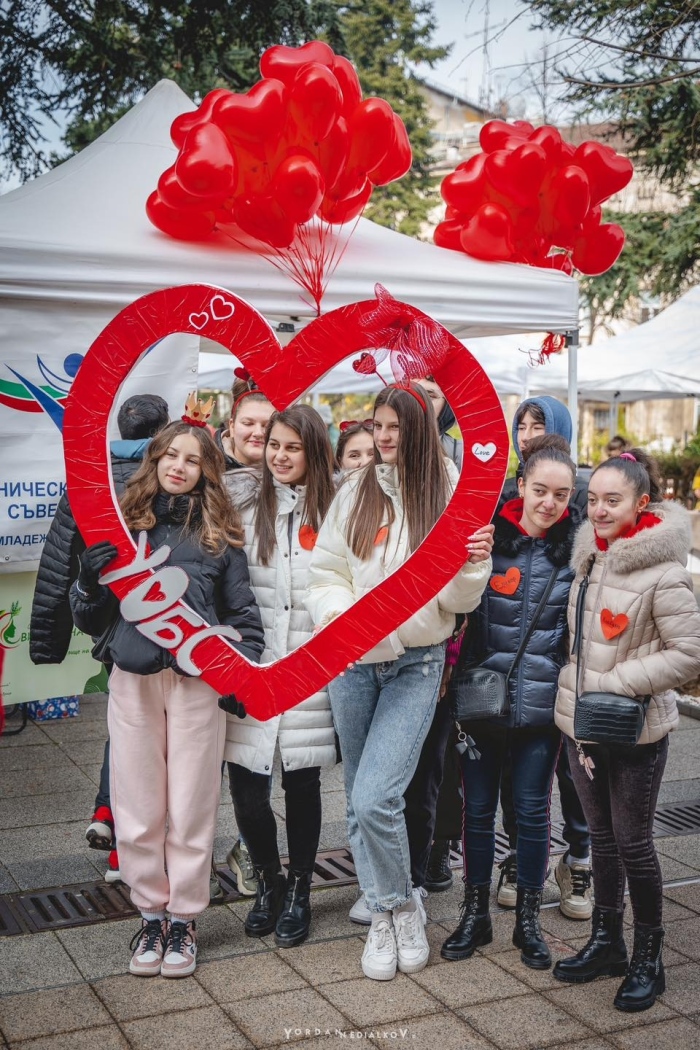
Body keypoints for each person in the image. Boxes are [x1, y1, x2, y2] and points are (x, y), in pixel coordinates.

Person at [306, 382, 494, 981]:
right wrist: (345, 619)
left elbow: (460, 600)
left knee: (374, 795)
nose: (384, 437)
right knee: (362, 802)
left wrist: (473, 564)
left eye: (396, 427)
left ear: (420, 428)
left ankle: (398, 903)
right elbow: (327, 570)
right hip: (352, 662)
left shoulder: (447, 491)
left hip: (417, 662)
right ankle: (394, 911)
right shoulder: (353, 491)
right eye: (378, 425)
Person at [69, 404, 265, 978]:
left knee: (190, 805)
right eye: (171, 455)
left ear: (208, 470)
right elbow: (88, 618)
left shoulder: (218, 538)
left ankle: (184, 919)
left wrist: (239, 675)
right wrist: (87, 579)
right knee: (135, 805)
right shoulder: (120, 526)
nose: (180, 466)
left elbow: (245, 620)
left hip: (197, 688)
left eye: (194, 459)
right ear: (154, 461)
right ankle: (149, 915)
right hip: (132, 683)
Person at [552, 448, 700, 1011]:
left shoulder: (664, 571)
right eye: (593, 500)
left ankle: (649, 956)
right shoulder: (590, 559)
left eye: (612, 501)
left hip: (636, 730)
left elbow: (689, 654)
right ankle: (607, 942)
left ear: (642, 504)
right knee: (602, 838)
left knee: (635, 842)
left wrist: (617, 682)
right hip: (581, 726)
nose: (598, 511)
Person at [441, 435, 579, 970]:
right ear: (520, 485)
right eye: (540, 489)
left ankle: (528, 921)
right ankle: (474, 914)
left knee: (531, 814)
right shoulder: (486, 536)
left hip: (541, 712)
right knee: (476, 812)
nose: (549, 503)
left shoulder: (576, 553)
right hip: (481, 702)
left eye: (561, 495)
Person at [30, 393, 171, 883]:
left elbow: (56, 562)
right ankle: (122, 839)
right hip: (170, 623)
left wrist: (48, 641)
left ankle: (109, 817)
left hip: (110, 624)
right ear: (165, 428)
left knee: (128, 726)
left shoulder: (89, 476)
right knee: (159, 742)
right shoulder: (172, 474)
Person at [223, 404, 337, 948]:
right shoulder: (242, 503)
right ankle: (267, 880)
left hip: (311, 666)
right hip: (252, 661)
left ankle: (299, 892)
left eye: (293, 447)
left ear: (313, 450)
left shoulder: (337, 508)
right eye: (274, 445)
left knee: (302, 782)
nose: (281, 456)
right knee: (246, 786)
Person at [497, 395, 592, 919]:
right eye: (522, 425)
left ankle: (578, 859)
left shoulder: (582, 511)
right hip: (519, 671)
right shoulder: (503, 505)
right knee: (521, 772)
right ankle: (518, 854)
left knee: (576, 775)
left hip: (569, 670)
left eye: (539, 425)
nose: (528, 433)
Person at [215, 374, 274, 471]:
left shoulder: (296, 479)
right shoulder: (206, 473)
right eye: (248, 423)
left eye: (268, 426)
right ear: (232, 427)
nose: (258, 433)